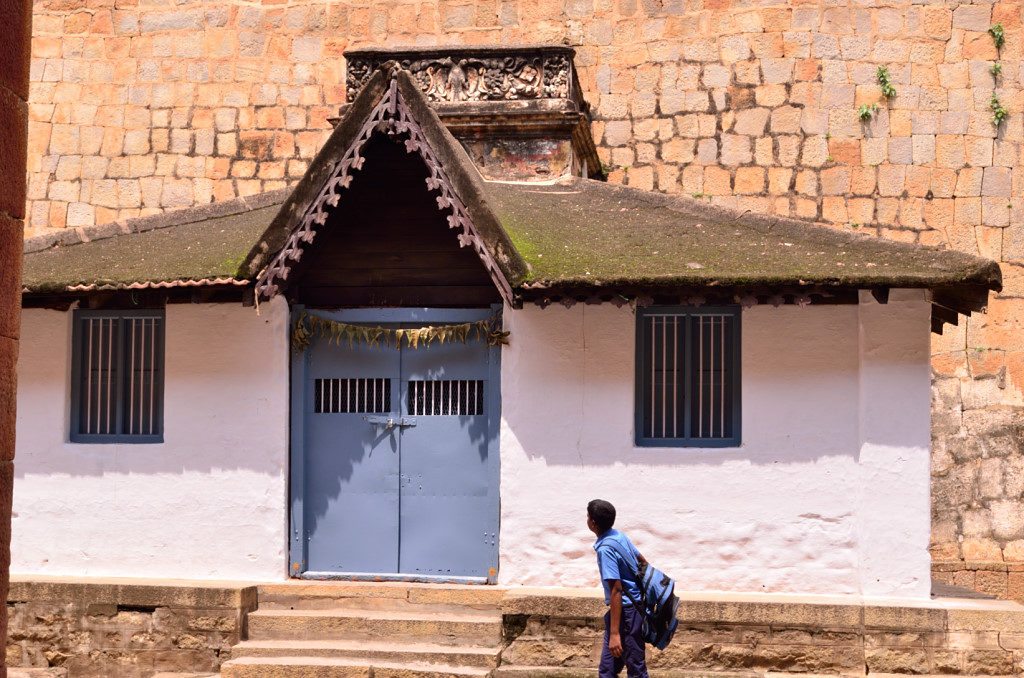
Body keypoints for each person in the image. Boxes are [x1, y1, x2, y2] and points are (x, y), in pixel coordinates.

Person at [587, 499, 650, 678]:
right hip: (627, 611)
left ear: (592, 522)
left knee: (636, 669)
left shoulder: (605, 549)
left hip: (627, 614)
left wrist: (615, 634)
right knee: (607, 671)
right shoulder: (619, 536)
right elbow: (643, 562)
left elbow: (616, 589)